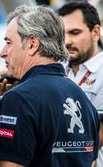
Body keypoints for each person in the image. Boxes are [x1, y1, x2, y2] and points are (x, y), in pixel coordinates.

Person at [0, 5, 99, 167]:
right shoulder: (82, 98)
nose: (3, 52)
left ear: (32, 44)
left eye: (9, 42)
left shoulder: (17, 98)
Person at [57, 2, 103, 166]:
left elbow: (97, 137)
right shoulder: (58, 70)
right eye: (62, 34)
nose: (67, 41)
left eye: (75, 33)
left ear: (95, 32)